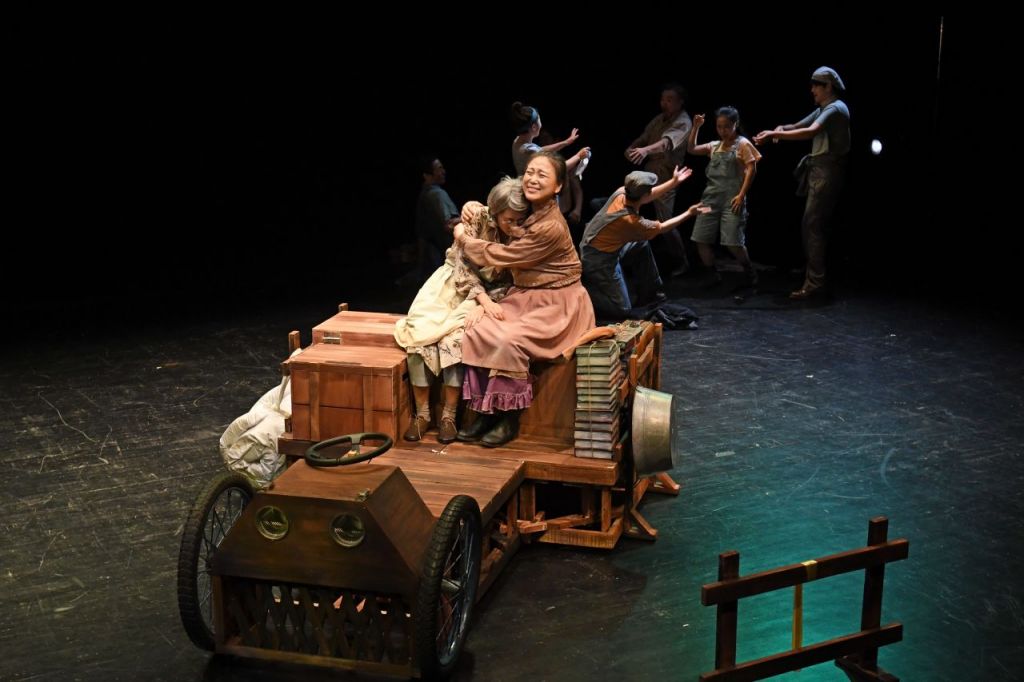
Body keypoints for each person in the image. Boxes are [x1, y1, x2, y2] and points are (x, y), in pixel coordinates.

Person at [453, 152, 596, 447]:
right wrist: (473, 206)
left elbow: (504, 255)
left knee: (508, 339)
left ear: (558, 186)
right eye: (530, 172)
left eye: (542, 175)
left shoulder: (550, 226)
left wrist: (464, 239)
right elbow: (499, 207)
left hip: (558, 303)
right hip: (526, 296)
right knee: (479, 330)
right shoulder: (529, 207)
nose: (532, 179)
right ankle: (486, 410)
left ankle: (509, 415)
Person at [395, 177, 526, 443]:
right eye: (508, 220)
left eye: (519, 220)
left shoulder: (525, 233)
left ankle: (449, 416)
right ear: (496, 213)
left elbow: (512, 278)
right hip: (455, 283)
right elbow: (462, 264)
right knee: (418, 334)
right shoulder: (478, 218)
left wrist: (486, 302)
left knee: (453, 339)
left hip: (494, 293)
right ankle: (422, 415)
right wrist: (481, 299)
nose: (514, 226)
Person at [754, 66, 850, 300]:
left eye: (816, 85)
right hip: (819, 170)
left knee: (813, 224)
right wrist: (778, 129)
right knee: (813, 225)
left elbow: (810, 132)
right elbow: (798, 126)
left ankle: (816, 282)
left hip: (827, 170)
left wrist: (775, 135)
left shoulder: (835, 108)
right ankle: (814, 277)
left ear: (828, 87)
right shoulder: (823, 109)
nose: (812, 90)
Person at [580, 168, 707, 320]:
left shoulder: (621, 192)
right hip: (598, 260)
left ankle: (651, 294)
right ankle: (582, 291)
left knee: (641, 244)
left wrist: (673, 182)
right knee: (622, 309)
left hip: (604, 247)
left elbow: (648, 195)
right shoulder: (630, 220)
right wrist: (689, 213)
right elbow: (662, 227)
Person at [687, 106, 761, 285]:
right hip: (709, 200)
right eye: (719, 127)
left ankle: (749, 272)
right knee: (700, 238)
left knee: (732, 242)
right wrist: (696, 127)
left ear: (735, 124)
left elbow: (752, 168)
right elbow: (691, 148)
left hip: (732, 200)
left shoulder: (742, 144)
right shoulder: (714, 146)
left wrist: (741, 195)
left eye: (727, 126)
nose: (723, 131)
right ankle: (713, 275)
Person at [625, 83, 693, 275]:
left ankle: (682, 261)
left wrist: (645, 150)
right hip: (649, 172)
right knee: (628, 208)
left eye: (670, 100)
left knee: (665, 220)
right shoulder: (660, 119)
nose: (664, 103)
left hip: (667, 173)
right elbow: (645, 137)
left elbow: (666, 143)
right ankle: (630, 256)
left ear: (680, 102)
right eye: (663, 99)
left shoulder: (683, 121)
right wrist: (633, 148)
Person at [510, 102, 590, 176]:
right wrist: (578, 156)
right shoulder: (528, 150)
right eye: (539, 119)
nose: (541, 125)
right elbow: (557, 170)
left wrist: (566, 142)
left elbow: (540, 150)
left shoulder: (517, 141)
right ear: (534, 127)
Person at [414, 156, 460, 282]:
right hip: (443, 258)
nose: (443, 171)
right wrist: (473, 216)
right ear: (426, 175)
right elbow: (449, 225)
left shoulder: (425, 194)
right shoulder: (436, 194)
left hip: (432, 259)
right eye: (439, 169)